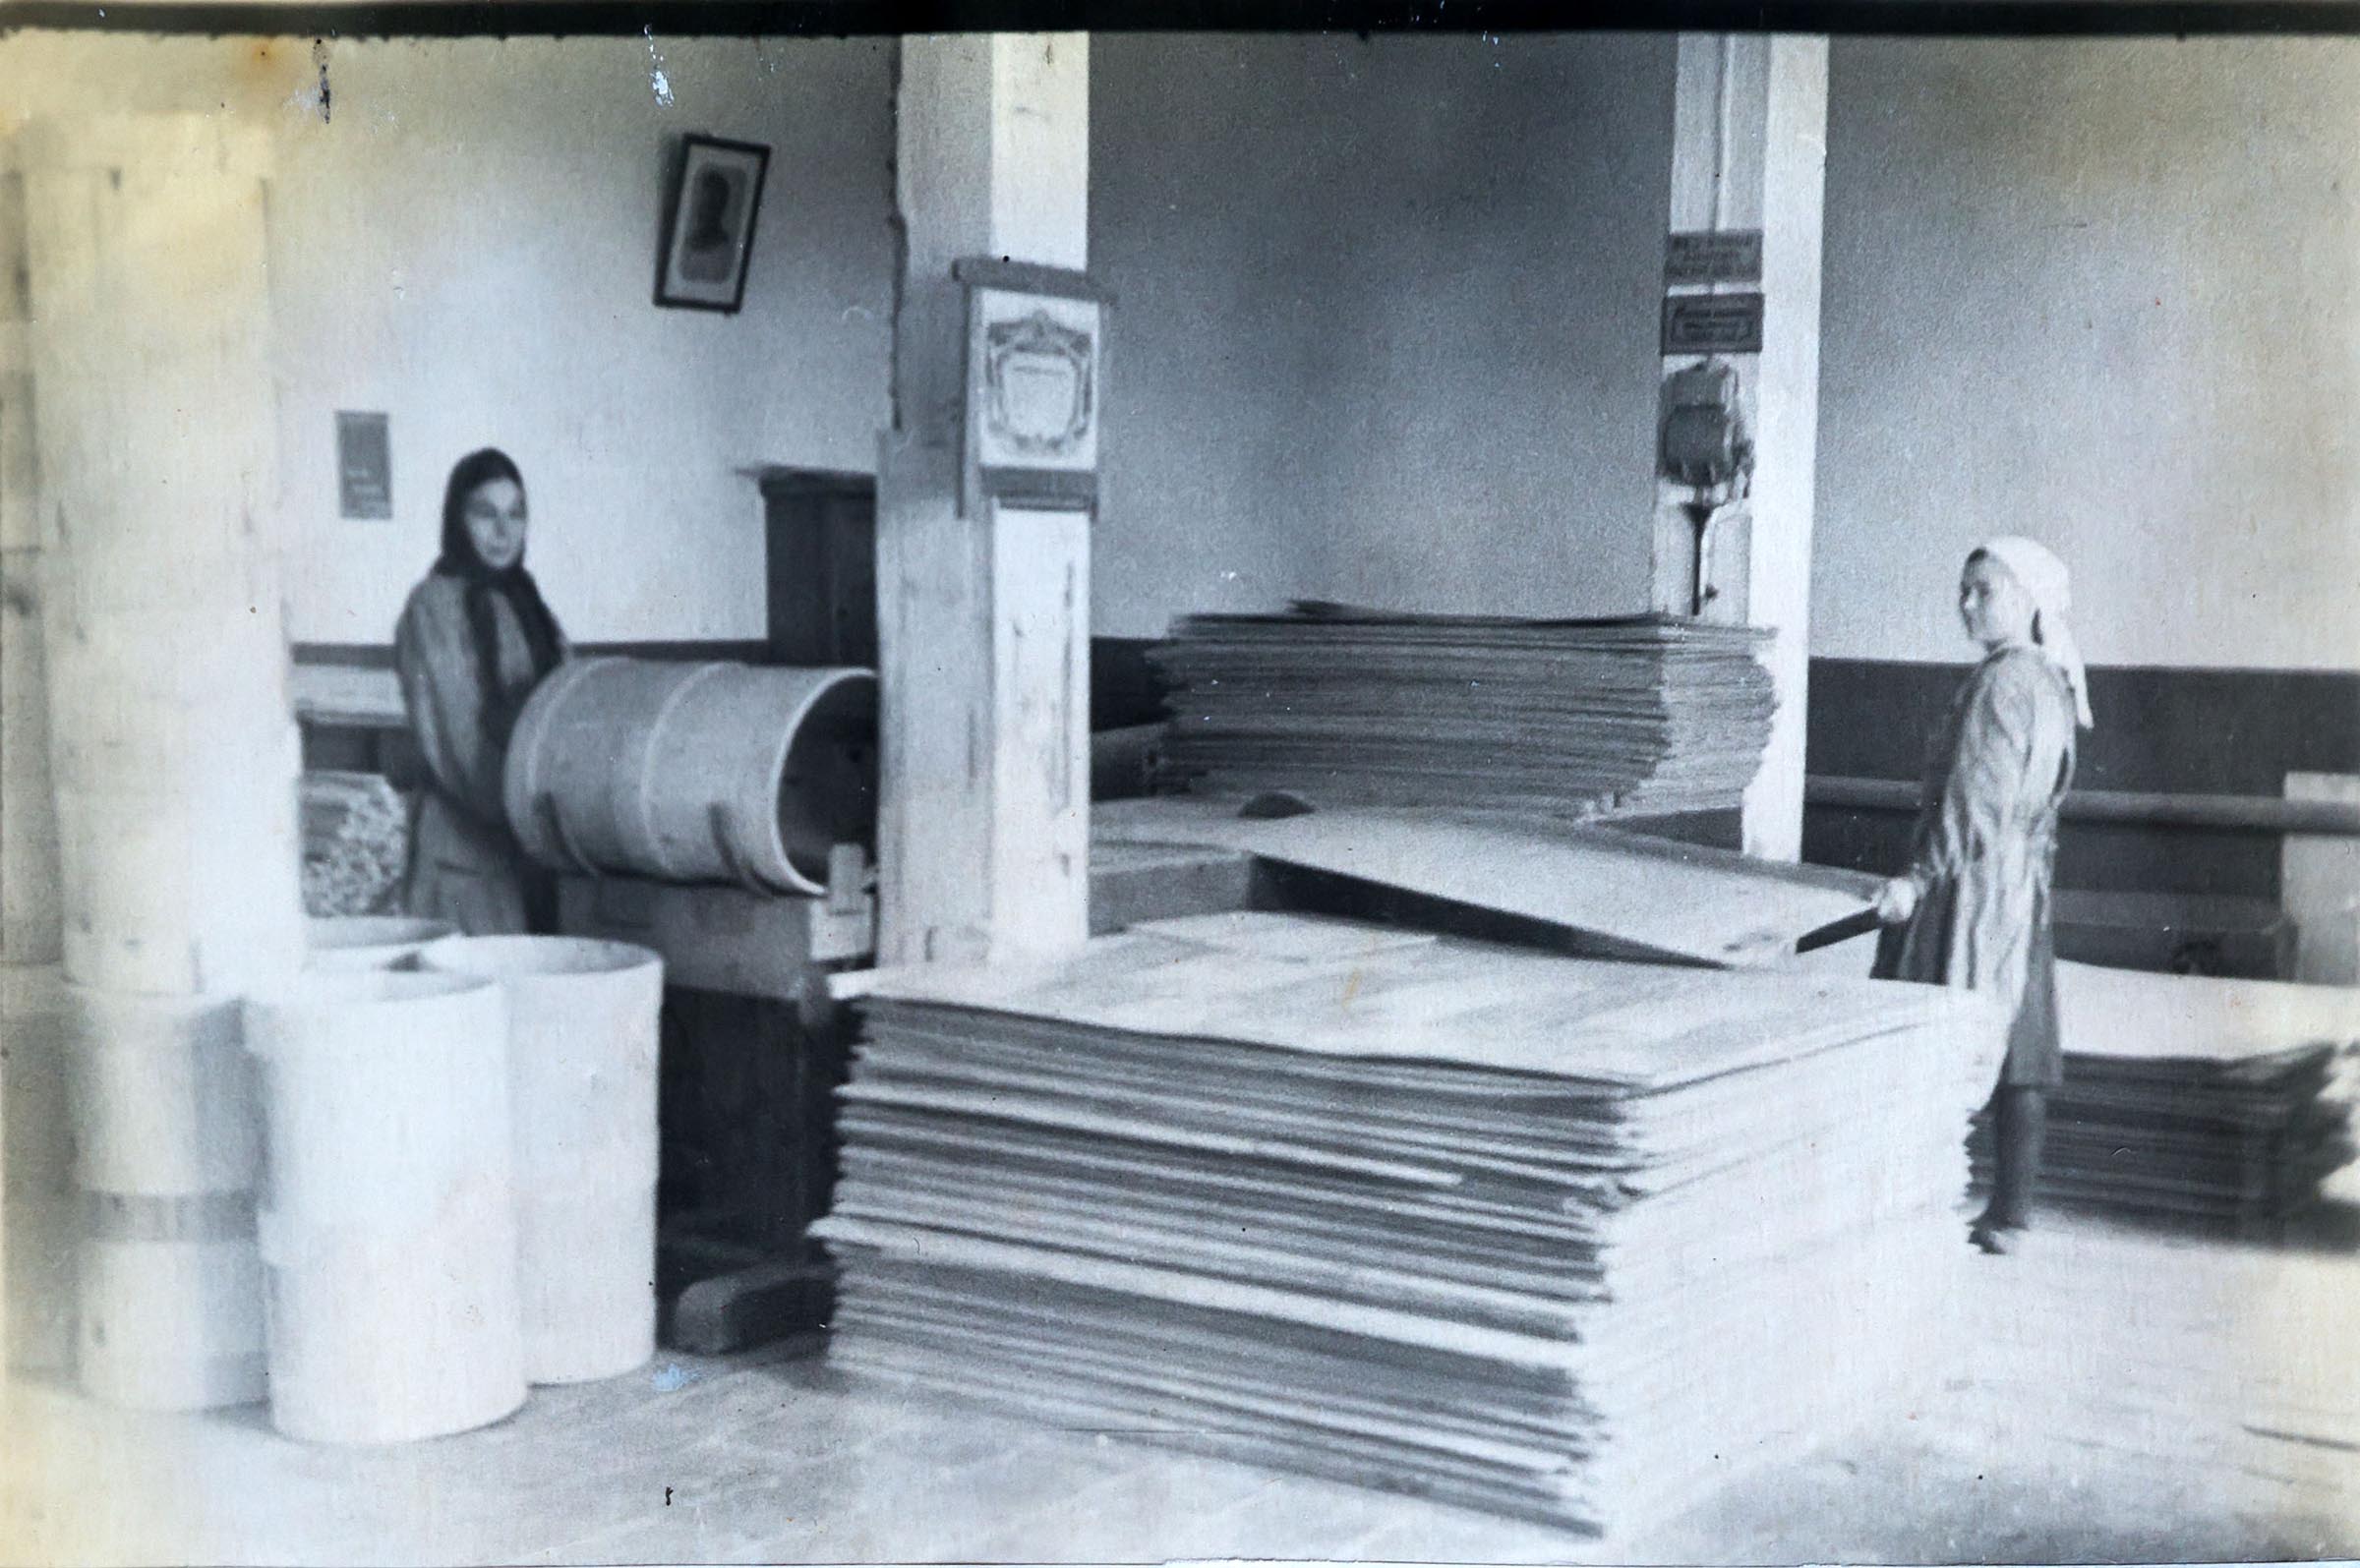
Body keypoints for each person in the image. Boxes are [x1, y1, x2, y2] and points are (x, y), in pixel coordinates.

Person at [1871, 537, 2094, 1256]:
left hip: (1967, 887)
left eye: (1983, 591)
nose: (1966, 604)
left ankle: (1906, 1202)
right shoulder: (2050, 680)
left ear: (2027, 601)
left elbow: (1976, 802)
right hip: (2021, 886)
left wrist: (1918, 879)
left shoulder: (2003, 683)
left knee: (1921, 1034)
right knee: (2020, 1047)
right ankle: (2010, 1213)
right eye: (1963, 590)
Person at [393, 448, 568, 936]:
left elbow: (563, 708)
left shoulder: (530, 604)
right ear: (457, 519)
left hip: (534, 854)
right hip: (466, 865)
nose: (503, 531)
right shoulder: (433, 607)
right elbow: (461, 749)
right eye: (485, 514)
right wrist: (544, 807)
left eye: (516, 514)